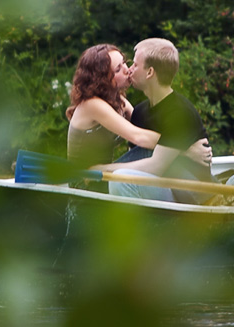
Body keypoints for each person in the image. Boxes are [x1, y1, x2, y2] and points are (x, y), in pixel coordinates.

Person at [90, 38, 215, 204]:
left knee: (121, 179)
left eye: (134, 65)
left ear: (149, 72)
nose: (129, 70)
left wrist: (101, 170)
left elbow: (156, 167)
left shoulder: (179, 112)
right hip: (162, 186)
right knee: (120, 179)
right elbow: (137, 160)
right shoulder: (139, 113)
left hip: (194, 197)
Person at [66, 44, 160, 170]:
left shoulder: (120, 101)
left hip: (104, 173)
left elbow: (144, 129)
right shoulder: (92, 104)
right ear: (101, 79)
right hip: (86, 180)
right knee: (154, 153)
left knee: (160, 154)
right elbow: (139, 137)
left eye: (124, 63)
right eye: (117, 69)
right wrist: (179, 146)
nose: (127, 70)